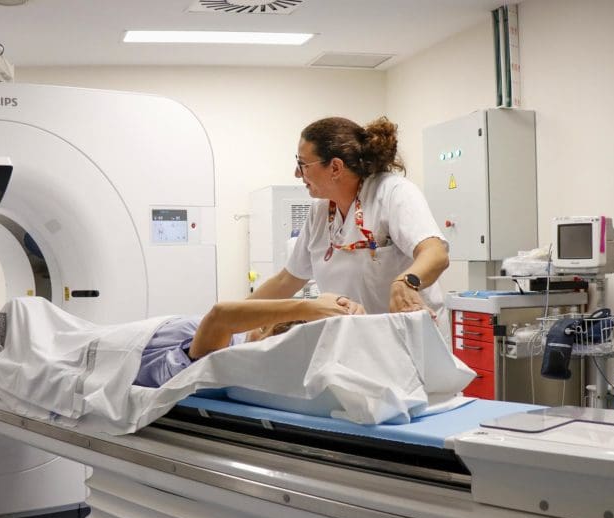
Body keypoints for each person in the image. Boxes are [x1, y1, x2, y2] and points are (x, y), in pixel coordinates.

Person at [249, 116, 451, 334]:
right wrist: (233, 317)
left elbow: (435, 253)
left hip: (407, 338)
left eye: (303, 164)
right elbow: (286, 280)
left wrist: (406, 282)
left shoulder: (392, 193)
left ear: (335, 167)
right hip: (355, 340)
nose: (297, 173)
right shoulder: (319, 212)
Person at [134, 292, 356, 388]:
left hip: (126, 351)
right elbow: (224, 314)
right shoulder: (230, 341)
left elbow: (221, 316)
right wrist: (334, 302)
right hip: (127, 343)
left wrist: (310, 307)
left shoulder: (222, 355)